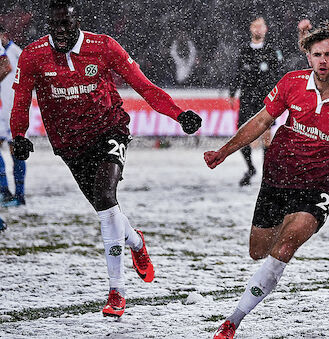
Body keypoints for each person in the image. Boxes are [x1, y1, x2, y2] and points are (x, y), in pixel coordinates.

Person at [10, 0, 202, 318]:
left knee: (105, 195)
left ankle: (117, 291)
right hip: (70, 144)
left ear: (77, 23)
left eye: (67, 26)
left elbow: (144, 87)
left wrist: (178, 114)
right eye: (55, 26)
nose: (60, 32)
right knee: (106, 210)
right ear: (48, 25)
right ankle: (136, 242)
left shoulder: (103, 46)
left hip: (109, 130)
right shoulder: (33, 55)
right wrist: (19, 136)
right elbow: (21, 100)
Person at [206, 23, 329, 339]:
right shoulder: (292, 84)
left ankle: (233, 320)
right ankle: (274, 253)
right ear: (308, 56)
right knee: (258, 252)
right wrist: (224, 151)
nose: (324, 60)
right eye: (317, 55)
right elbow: (261, 120)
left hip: (319, 185)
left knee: (286, 245)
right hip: (279, 175)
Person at [229, 16, 283, 186]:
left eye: (261, 26)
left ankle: (267, 173)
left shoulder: (272, 50)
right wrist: (232, 92)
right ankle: (251, 168)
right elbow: (237, 73)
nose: (258, 29)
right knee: (243, 135)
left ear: (266, 29)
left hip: (266, 98)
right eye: (255, 26)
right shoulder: (244, 50)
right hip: (247, 97)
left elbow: (279, 74)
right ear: (251, 29)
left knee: (267, 136)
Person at [0, 25, 25, 207]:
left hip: (13, 108)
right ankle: (8, 193)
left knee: (16, 150)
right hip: (4, 109)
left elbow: (7, 67)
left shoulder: (18, 52)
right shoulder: (13, 51)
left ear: (4, 35)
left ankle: (15, 194)